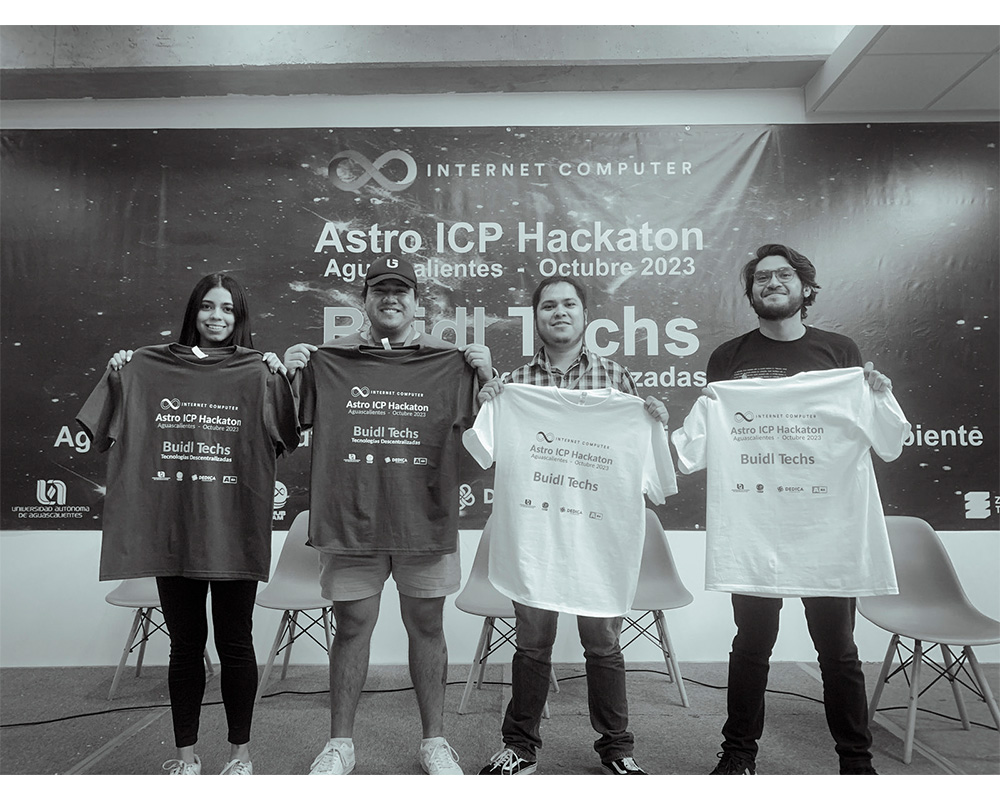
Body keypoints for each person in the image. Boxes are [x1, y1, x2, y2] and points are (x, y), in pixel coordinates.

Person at [282, 254, 494, 776]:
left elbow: (491, 441)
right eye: (381, 290)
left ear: (418, 303)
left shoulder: (451, 363)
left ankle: (434, 742)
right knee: (351, 626)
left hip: (425, 518)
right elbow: (283, 429)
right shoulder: (329, 361)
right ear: (365, 301)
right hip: (351, 520)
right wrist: (289, 376)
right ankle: (340, 745)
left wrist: (488, 379)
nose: (391, 298)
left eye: (401, 291)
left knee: (427, 625)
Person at [81, 272, 300, 776]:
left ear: (239, 317)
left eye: (227, 308)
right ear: (193, 312)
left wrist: (279, 379)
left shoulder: (260, 373)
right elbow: (100, 431)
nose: (216, 316)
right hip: (173, 534)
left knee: (236, 644)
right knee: (184, 647)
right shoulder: (143, 368)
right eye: (207, 306)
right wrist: (121, 374)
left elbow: (289, 437)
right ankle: (186, 759)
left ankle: (240, 757)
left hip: (234, 534)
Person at [702, 243, 893, 776]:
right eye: (761, 278)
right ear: (751, 293)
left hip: (824, 525)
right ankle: (738, 754)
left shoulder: (839, 351)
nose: (772, 283)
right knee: (751, 644)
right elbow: (719, 435)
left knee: (838, 649)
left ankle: (856, 763)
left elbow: (867, 430)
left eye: (783, 275)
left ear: (805, 288)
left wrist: (875, 395)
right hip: (756, 524)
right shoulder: (727, 357)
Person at [475, 275, 670, 776]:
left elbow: (645, 465)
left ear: (585, 315)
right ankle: (520, 747)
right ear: (535, 318)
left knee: (602, 643)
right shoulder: (514, 386)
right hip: (535, 537)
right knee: (532, 642)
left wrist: (653, 421)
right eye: (548, 306)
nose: (559, 313)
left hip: (597, 540)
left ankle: (617, 748)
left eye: (568, 305)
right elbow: (483, 451)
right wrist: (489, 404)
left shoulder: (617, 379)